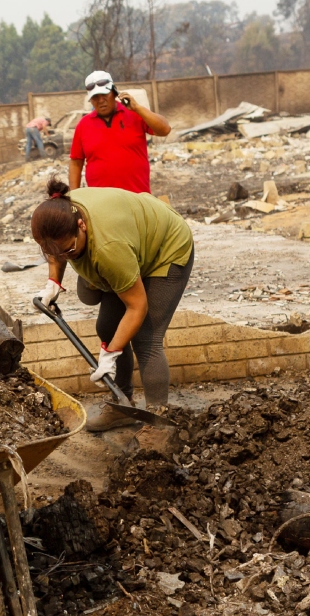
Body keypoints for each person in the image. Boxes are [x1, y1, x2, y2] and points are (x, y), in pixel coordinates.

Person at [31, 178, 193, 431]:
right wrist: (53, 282)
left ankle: (158, 424)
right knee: (108, 327)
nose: (64, 258)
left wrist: (110, 354)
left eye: (69, 251)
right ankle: (123, 404)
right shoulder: (59, 214)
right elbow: (56, 250)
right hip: (130, 244)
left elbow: (137, 307)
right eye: (55, 252)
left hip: (165, 249)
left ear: (82, 225)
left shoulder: (108, 249)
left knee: (145, 338)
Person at [69, 70, 171, 194]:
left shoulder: (135, 114)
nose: (100, 100)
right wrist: (73, 196)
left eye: (104, 94)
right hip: (100, 201)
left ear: (114, 92)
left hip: (136, 197)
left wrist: (138, 108)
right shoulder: (83, 125)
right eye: (95, 97)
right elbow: (76, 162)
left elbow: (165, 129)